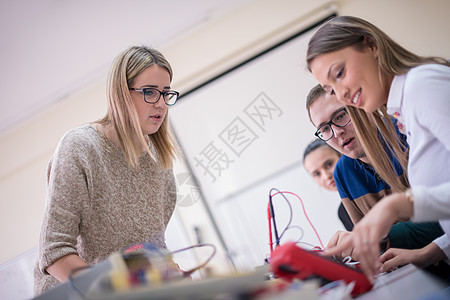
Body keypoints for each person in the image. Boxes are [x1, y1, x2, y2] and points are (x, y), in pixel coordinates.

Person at [306, 15, 450, 281]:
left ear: (371, 45)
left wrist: (398, 206)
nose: (342, 92)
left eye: (340, 73)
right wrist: (433, 251)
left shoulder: (421, 86)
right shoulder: (405, 109)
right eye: (331, 88)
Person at [34, 46, 181, 295]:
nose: (160, 104)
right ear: (121, 94)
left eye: (166, 93)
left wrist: (166, 273)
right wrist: (117, 290)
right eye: (149, 92)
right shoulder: (80, 148)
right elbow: (54, 252)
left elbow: (150, 248)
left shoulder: (159, 161)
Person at [306, 84, 443, 260]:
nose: (337, 132)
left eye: (340, 116)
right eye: (325, 129)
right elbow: (373, 249)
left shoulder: (407, 133)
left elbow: (443, 220)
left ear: (358, 105)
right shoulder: (342, 172)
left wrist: (381, 238)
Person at [303, 139, 354, 231]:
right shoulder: (343, 213)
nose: (326, 176)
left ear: (342, 155)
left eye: (329, 164)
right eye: (317, 174)